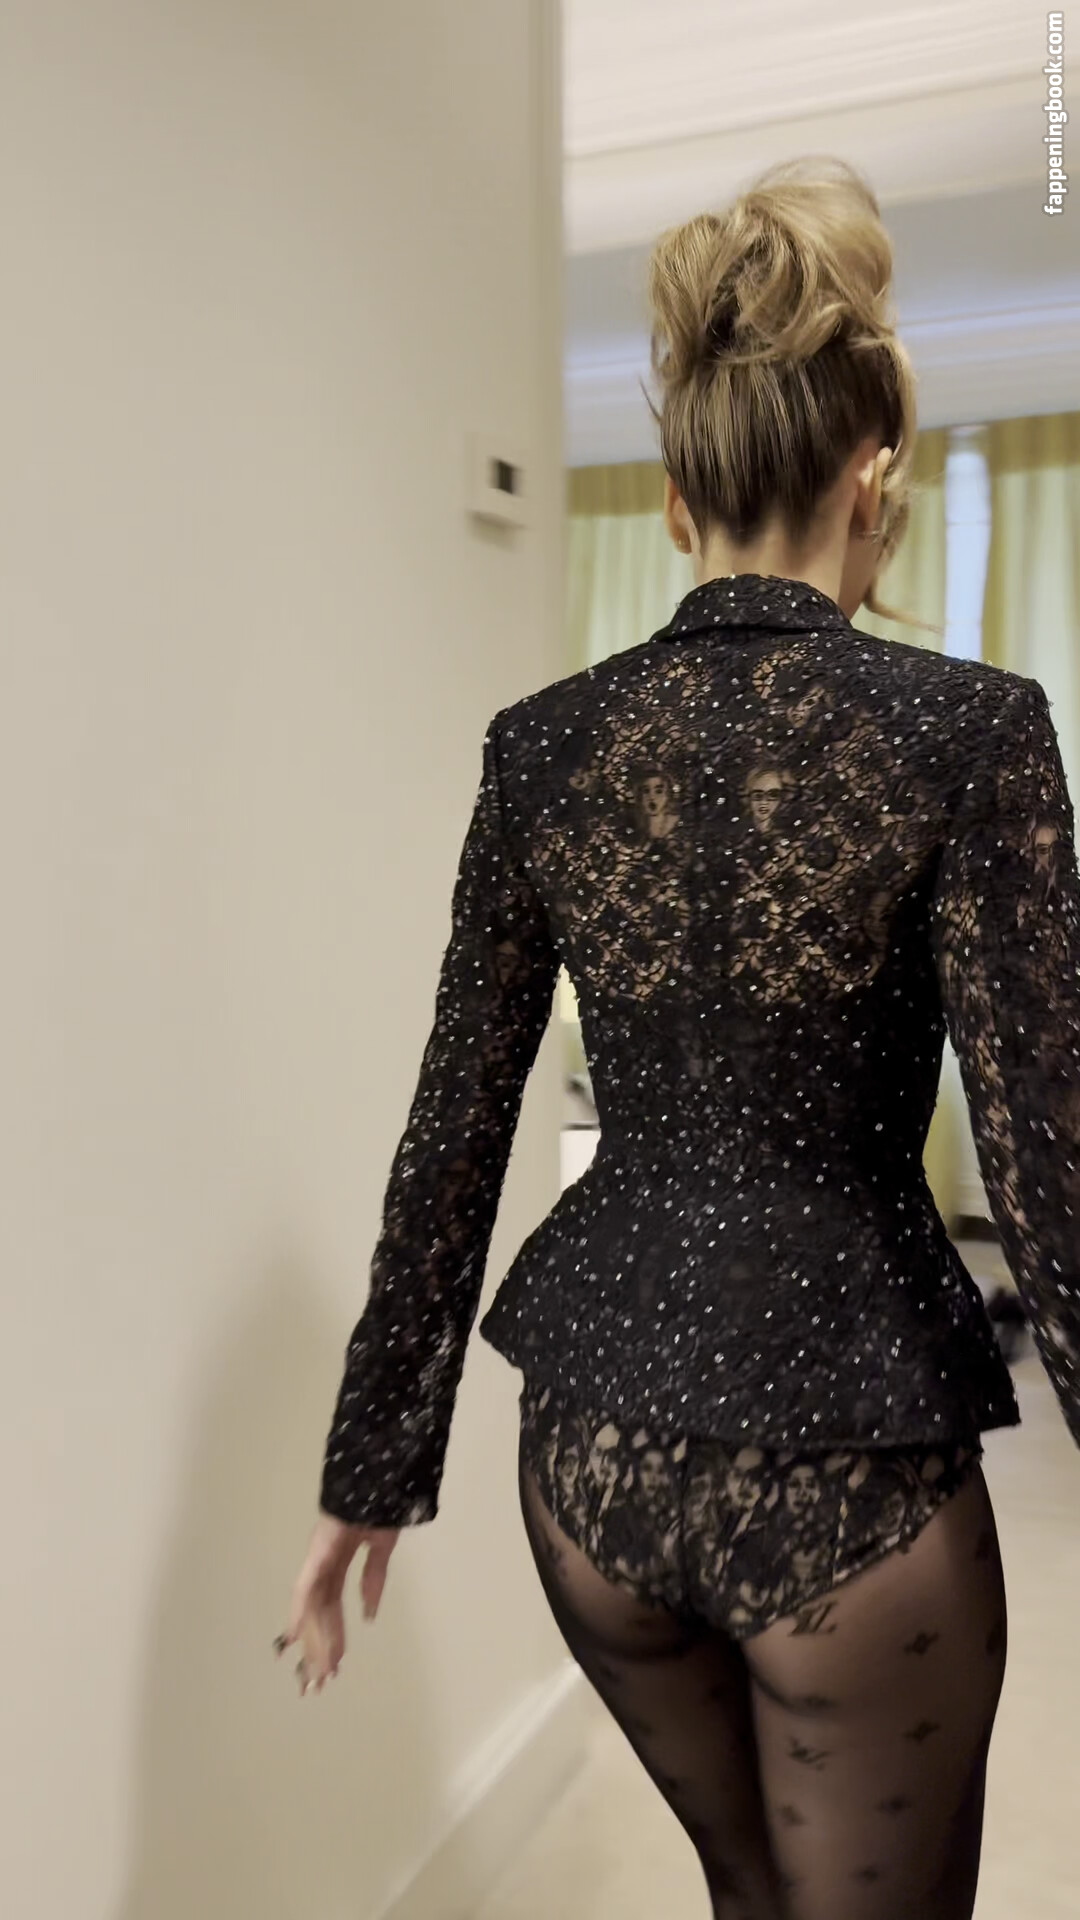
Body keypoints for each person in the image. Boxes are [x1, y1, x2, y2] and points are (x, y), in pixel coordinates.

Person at [278, 156, 1080, 1919]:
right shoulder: (973, 730)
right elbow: (1051, 1160)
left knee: (746, 1885)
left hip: (594, 1471)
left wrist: (369, 1472)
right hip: (852, 1473)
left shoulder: (544, 746)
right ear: (873, 481)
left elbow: (453, 1125)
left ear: (670, 505)